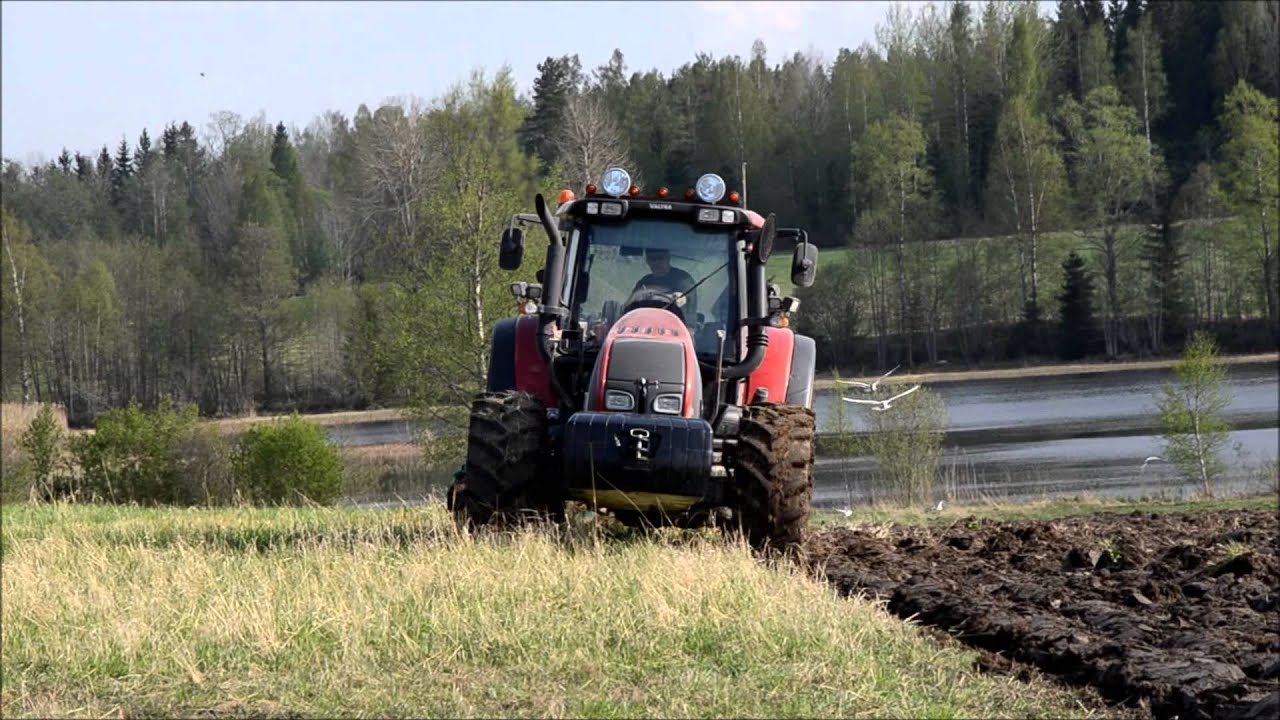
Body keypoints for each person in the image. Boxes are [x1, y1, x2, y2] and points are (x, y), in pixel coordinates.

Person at [632, 248, 697, 322]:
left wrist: (680, 298)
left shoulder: (683, 279)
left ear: (668, 258)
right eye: (652, 259)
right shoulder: (644, 282)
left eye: (660, 258)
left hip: (678, 327)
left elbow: (684, 300)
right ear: (647, 261)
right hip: (647, 325)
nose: (657, 262)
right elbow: (630, 305)